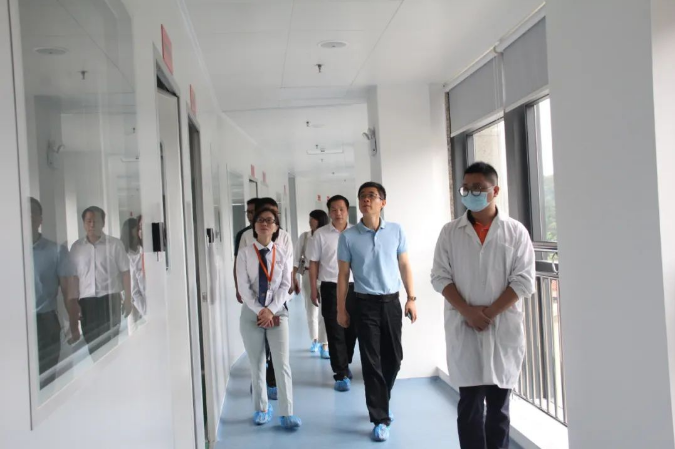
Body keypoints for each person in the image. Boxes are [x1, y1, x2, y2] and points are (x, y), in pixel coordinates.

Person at [431, 162, 535, 449]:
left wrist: (487, 314)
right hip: (463, 327)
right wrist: (468, 312)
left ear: (495, 190)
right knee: (469, 407)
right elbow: (439, 277)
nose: (471, 193)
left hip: (502, 329)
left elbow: (524, 281)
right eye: (466, 188)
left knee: (499, 410)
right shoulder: (450, 232)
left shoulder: (515, 232)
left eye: (478, 188)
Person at [337, 182, 418, 442]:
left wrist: (411, 298)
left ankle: (382, 399)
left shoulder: (396, 230)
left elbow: (404, 264)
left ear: (383, 202)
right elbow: (343, 275)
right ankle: (380, 418)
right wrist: (341, 308)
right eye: (362, 196)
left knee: (394, 358)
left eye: (372, 196)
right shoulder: (348, 237)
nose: (366, 200)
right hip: (364, 304)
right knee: (371, 362)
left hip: (392, 302)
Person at [236, 206, 301, 429]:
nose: (264, 223)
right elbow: (243, 287)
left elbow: (285, 285)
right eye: (260, 220)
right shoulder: (245, 254)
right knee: (256, 363)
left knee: (282, 364)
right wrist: (260, 310)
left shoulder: (281, 254)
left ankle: (287, 413)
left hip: (277, 313)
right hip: (251, 314)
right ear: (254, 226)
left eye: (269, 220)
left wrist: (271, 310)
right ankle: (261, 409)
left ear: (275, 227)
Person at [309, 195, 358, 391]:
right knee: (334, 330)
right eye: (334, 209)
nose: (338, 213)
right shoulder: (320, 234)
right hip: (330, 287)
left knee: (352, 330)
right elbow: (313, 263)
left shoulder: (356, 232)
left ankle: (345, 363)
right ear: (329, 212)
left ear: (347, 210)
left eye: (342, 209)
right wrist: (314, 289)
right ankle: (340, 373)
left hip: (354, 287)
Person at [69, 206, 132, 354]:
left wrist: (128, 299)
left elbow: (125, 273)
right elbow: (74, 278)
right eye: (89, 221)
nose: (92, 225)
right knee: (92, 345)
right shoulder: (76, 248)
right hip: (87, 303)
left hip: (110, 300)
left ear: (103, 223)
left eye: (96, 221)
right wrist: (74, 304)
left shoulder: (115, 244)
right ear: (84, 223)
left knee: (111, 344)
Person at [30, 197, 74, 385]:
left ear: (40, 219)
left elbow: (68, 291)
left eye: (32, 214)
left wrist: (73, 323)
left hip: (45, 322)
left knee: (45, 381)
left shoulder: (56, 251)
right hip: (13, 322)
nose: (28, 218)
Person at [293, 209, 329, 357]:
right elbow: (296, 259)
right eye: (309, 219)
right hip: (308, 275)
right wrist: (293, 277)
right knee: (311, 309)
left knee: (325, 310)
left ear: (320, 220)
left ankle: (324, 343)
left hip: (325, 275)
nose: (310, 221)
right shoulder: (305, 237)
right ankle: (315, 339)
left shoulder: (327, 235)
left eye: (312, 219)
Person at [121, 216, 146, 334]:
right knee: (135, 333)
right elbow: (133, 290)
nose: (139, 231)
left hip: (144, 298)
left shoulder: (142, 250)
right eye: (137, 229)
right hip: (133, 302)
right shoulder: (125, 255)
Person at [234, 198, 257, 304]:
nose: (249, 216)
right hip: (249, 286)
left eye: (252, 212)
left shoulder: (275, 232)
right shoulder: (243, 235)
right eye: (248, 212)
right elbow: (237, 264)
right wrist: (238, 288)